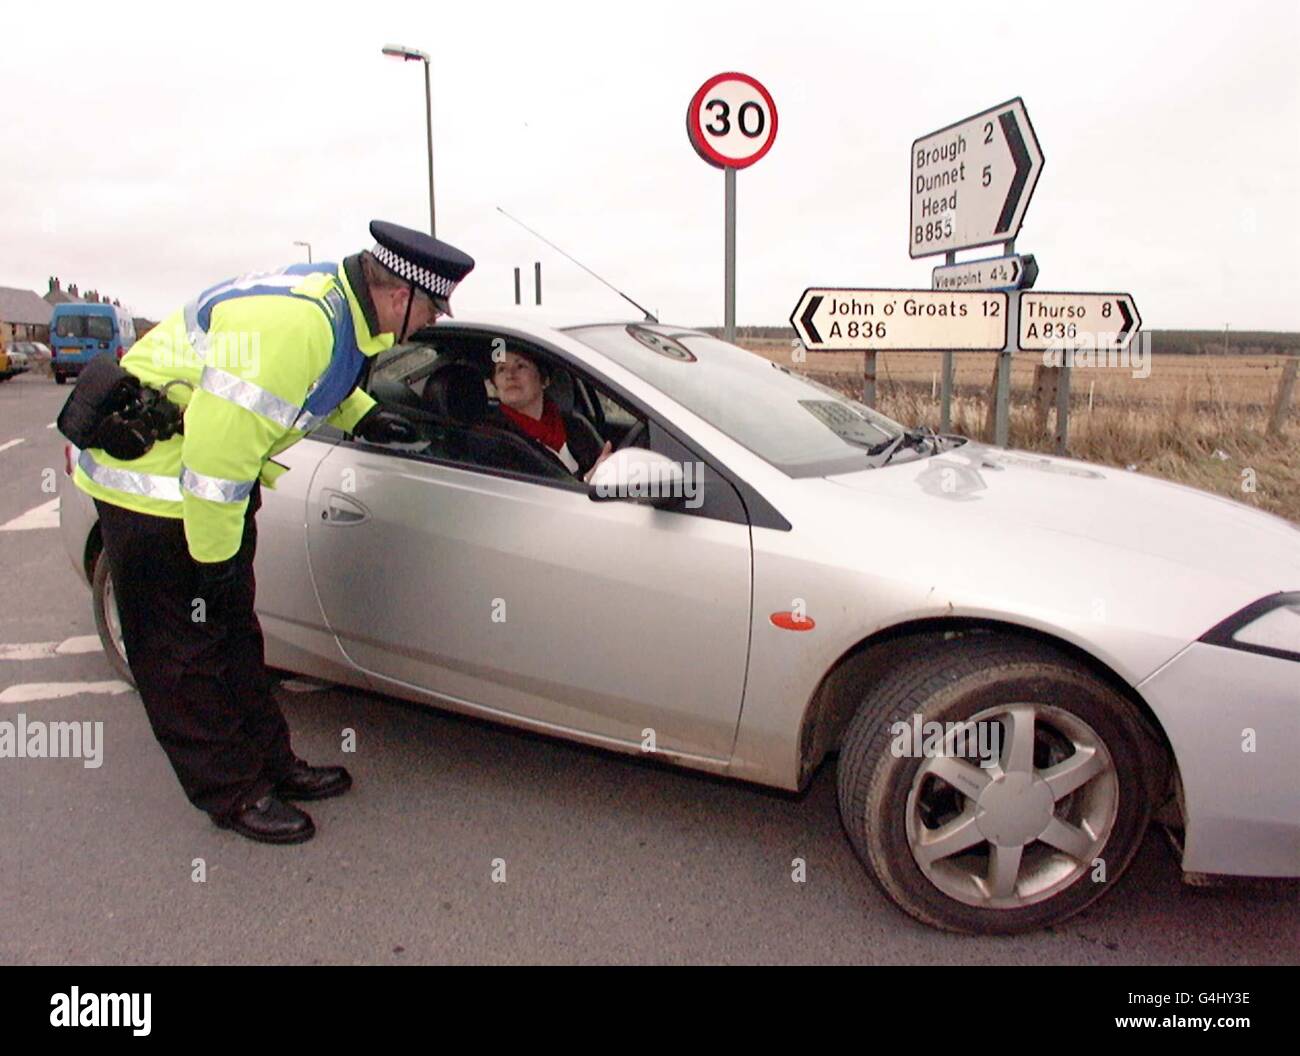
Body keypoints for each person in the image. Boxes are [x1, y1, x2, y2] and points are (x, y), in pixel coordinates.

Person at [70, 220, 474, 844]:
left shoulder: (342, 309)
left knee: (233, 634)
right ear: (400, 296)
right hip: (156, 492)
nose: (431, 323)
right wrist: (214, 561)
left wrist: (366, 418)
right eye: (432, 310)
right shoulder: (295, 326)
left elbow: (315, 383)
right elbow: (214, 457)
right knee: (182, 655)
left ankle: (272, 764)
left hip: (208, 493)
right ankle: (230, 792)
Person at [487, 347, 613, 481]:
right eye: (501, 369)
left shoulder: (576, 426)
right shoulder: (492, 437)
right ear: (495, 384)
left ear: (544, 380)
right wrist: (588, 481)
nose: (510, 375)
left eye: (520, 366)